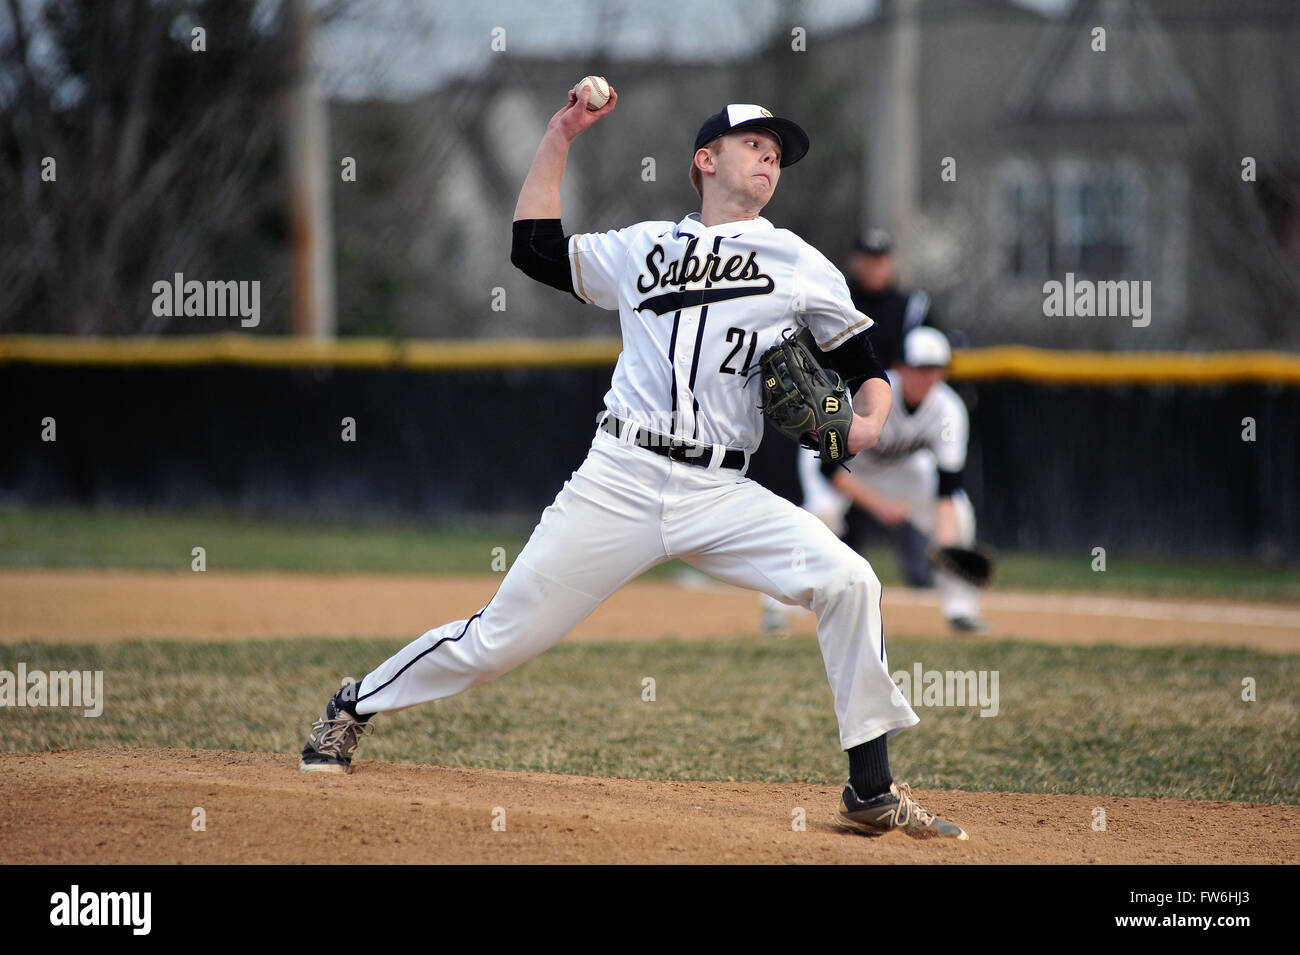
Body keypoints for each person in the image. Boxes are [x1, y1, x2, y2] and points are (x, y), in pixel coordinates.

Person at [297, 85, 968, 839]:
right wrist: (559, 134)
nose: (770, 157)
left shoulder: (797, 261)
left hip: (720, 488)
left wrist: (872, 418)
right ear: (705, 160)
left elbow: (859, 358)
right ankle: (354, 705)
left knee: (849, 578)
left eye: (777, 153)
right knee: (498, 639)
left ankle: (869, 788)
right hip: (621, 476)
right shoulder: (642, 247)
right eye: (755, 144)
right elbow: (534, 249)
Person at [796, 326, 987, 634]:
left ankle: (960, 610)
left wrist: (946, 544)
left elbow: (948, 486)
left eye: (938, 369)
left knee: (960, 514)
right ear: (901, 368)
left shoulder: (949, 409)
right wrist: (880, 506)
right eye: (922, 368)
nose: (930, 377)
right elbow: (828, 470)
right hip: (839, 462)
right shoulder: (873, 394)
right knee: (821, 515)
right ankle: (776, 608)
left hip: (897, 469)